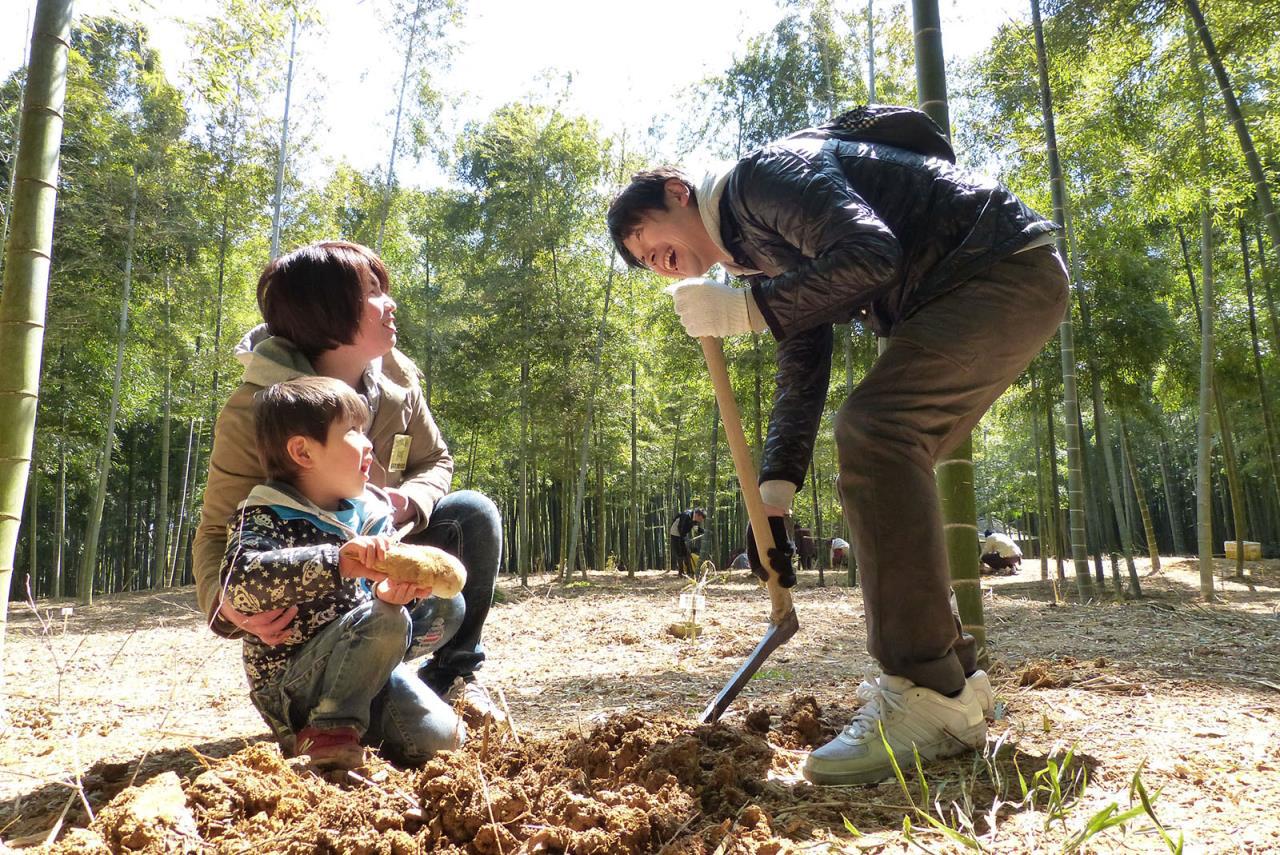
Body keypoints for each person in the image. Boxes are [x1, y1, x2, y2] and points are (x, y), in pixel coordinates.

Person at [608, 104, 1065, 785]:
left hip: (992, 268)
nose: (660, 264)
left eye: (651, 241)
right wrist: (775, 494)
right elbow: (804, 356)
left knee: (879, 429)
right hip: (991, 276)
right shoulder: (754, 251)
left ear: (678, 192)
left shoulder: (759, 179)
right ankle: (957, 685)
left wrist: (742, 312)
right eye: (648, 264)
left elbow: (870, 251)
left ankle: (925, 691)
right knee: (887, 438)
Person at [193, 241, 505, 722]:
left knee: (471, 515)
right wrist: (227, 606)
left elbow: (435, 460)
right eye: (374, 292)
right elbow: (218, 529)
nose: (391, 304)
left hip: (385, 558)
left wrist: (409, 503)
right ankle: (333, 695)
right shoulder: (257, 410)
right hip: (317, 591)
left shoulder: (399, 382)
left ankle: (454, 677)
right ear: (327, 311)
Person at [221, 376, 464, 769]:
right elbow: (241, 583)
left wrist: (391, 594)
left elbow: (378, 606)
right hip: (294, 681)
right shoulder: (266, 514)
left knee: (444, 739)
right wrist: (338, 561)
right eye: (353, 432)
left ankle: (356, 717)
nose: (369, 443)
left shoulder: (367, 513)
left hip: (360, 660)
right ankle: (324, 729)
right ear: (302, 451)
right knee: (384, 621)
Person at [668, 507, 705, 577]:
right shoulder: (686, 516)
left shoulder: (694, 518)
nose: (700, 521)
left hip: (682, 534)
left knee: (686, 553)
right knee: (680, 553)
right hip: (675, 533)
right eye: (700, 519)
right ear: (697, 515)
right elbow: (680, 528)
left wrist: (704, 531)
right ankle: (681, 572)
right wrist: (683, 539)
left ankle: (689, 571)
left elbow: (695, 528)